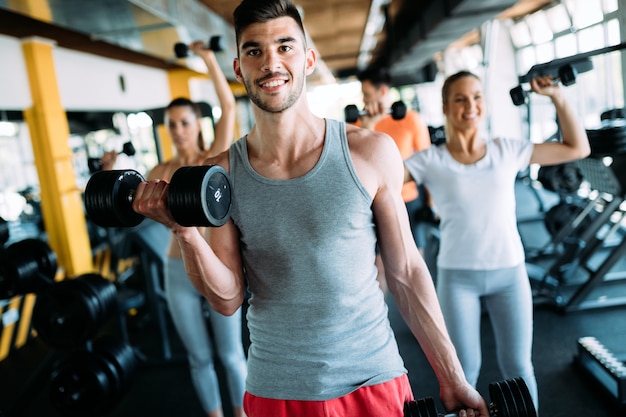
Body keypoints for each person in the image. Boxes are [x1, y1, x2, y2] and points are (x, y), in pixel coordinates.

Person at [132, 1, 488, 416]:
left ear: (309, 59)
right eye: (254, 51)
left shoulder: (369, 152)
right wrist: (186, 232)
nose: (270, 63)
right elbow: (227, 300)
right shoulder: (221, 175)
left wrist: (452, 375)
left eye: (285, 47)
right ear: (238, 68)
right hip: (278, 389)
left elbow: (406, 271)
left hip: (372, 379)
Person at [403, 70, 591, 413]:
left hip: (510, 275)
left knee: (518, 368)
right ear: (445, 107)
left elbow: (577, 147)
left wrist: (558, 97)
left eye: (476, 97)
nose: (470, 106)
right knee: (463, 372)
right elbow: (377, 175)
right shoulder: (430, 161)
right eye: (460, 99)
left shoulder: (507, 150)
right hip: (458, 279)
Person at [146, 41, 247, 417]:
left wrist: (207, 59)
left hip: (217, 264)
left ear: (197, 125)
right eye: (172, 124)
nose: (178, 130)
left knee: (230, 354)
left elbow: (230, 107)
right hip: (176, 269)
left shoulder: (212, 159)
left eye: (185, 123)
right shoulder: (158, 172)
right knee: (199, 358)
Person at [355, 67, 434, 292]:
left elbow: (426, 163)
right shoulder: (362, 123)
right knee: (379, 266)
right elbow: (357, 165)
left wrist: (431, 203)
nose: (364, 99)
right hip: (376, 205)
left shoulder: (410, 119)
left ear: (382, 92)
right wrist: (369, 124)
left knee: (414, 262)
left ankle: (420, 320)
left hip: (409, 201)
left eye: (367, 94)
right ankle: (377, 323)